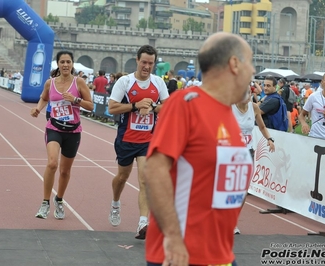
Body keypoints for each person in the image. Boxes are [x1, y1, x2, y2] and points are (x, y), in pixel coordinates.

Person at [143, 32, 255, 266]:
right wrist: (173, 237)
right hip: (182, 255)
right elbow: (154, 170)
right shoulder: (186, 104)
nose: (253, 71)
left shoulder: (228, 114)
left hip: (221, 255)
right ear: (234, 64)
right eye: (251, 62)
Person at [108, 44, 169, 240]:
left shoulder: (158, 83)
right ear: (137, 60)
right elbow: (112, 108)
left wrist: (152, 108)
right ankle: (116, 202)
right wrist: (135, 106)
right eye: (144, 62)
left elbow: (167, 108)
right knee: (122, 177)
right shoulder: (125, 82)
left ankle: (143, 222)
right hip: (126, 139)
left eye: (150, 63)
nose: (147, 66)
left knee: (145, 180)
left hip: (148, 140)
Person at [30, 51, 93, 219]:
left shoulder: (79, 82)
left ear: (72, 64)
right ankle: (45, 203)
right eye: (62, 62)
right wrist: (38, 108)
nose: (65, 65)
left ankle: (59, 199)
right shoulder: (50, 83)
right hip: (54, 127)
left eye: (68, 62)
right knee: (52, 164)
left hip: (73, 131)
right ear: (58, 64)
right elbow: (44, 98)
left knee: (65, 171)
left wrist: (75, 100)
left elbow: (91, 106)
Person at [232, 86, 275, 234]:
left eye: (248, 93)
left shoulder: (254, 107)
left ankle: (233, 222)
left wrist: (269, 139)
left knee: (243, 190)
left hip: (248, 152)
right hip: (230, 152)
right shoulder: (229, 106)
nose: (246, 95)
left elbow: (262, 127)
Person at [298, 72, 325, 141]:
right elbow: (302, 115)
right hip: (314, 137)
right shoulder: (313, 97)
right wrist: (304, 124)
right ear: (322, 82)